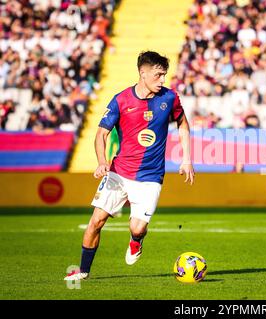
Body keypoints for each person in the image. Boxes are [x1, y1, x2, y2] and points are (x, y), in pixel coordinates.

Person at [64, 51, 195, 281]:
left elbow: (183, 124)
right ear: (142, 73)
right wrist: (102, 161)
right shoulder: (121, 100)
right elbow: (101, 134)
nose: (163, 80)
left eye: (164, 75)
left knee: (137, 228)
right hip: (119, 172)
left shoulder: (170, 98)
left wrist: (187, 158)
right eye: (158, 75)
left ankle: (136, 241)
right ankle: (83, 271)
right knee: (96, 221)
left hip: (150, 176)